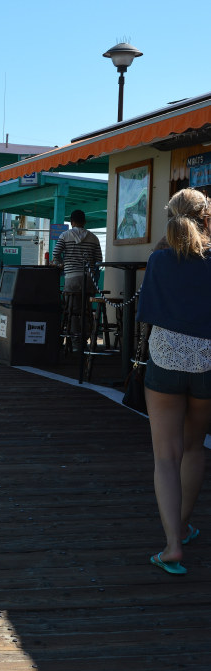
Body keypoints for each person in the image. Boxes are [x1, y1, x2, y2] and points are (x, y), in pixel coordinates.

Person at [136, 187, 211, 576]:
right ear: (206, 218)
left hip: (166, 355)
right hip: (209, 360)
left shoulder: (159, 259)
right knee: (195, 448)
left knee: (166, 456)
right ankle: (182, 524)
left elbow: (146, 312)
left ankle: (172, 546)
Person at [52, 209, 102, 351]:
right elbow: (99, 260)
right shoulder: (93, 238)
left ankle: (75, 343)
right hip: (88, 280)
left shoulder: (65, 235)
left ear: (71, 222)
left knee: (72, 311)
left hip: (72, 279)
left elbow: (55, 255)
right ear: (84, 222)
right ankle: (86, 340)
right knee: (86, 311)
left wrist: (62, 264)